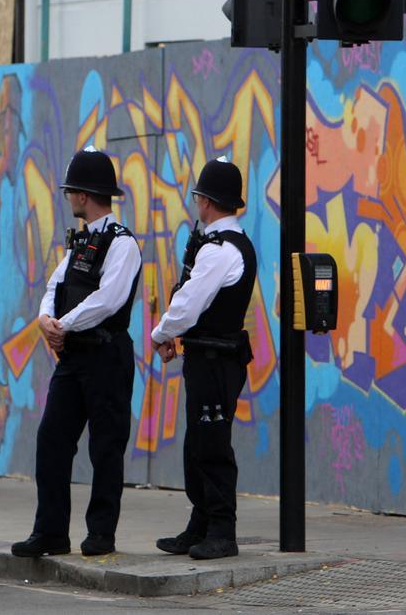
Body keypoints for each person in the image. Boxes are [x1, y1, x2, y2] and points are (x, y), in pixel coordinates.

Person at [11, 148, 142, 559]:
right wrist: (45, 318)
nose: (67, 197)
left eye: (70, 191)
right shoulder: (81, 241)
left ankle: (101, 533)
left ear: (83, 195)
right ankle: (50, 532)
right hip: (73, 358)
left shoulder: (122, 244)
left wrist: (62, 325)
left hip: (106, 355)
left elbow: (107, 300)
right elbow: (54, 285)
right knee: (52, 440)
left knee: (105, 447)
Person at [150, 159, 256, 560]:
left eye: (197, 196)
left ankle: (222, 532)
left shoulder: (220, 250)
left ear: (206, 201)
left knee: (211, 444)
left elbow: (187, 304)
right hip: (209, 357)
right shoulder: (223, 243)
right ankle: (201, 524)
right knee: (198, 443)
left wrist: (162, 333)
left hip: (216, 358)